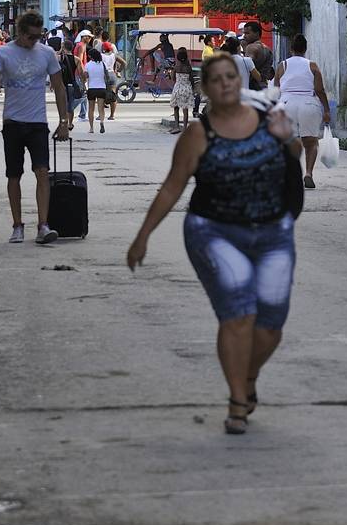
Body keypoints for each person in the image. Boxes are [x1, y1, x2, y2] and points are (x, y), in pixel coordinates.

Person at [127, 54, 302, 435]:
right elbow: (173, 186)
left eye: (230, 77)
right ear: (205, 89)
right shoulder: (197, 134)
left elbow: (294, 157)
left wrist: (288, 138)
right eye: (217, 79)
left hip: (273, 231)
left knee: (271, 324)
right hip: (216, 231)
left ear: (239, 82)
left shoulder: (266, 117)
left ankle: (248, 374)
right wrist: (143, 236)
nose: (225, 84)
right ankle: (237, 400)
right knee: (238, 314)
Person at [0, 9, 70, 245]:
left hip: (37, 123)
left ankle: (43, 225)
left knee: (42, 172)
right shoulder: (2, 53)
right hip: (12, 122)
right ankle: (17, 225)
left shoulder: (47, 54)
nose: (35, 41)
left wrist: (64, 121)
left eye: (39, 36)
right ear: (20, 33)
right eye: (31, 36)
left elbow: (59, 88)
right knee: (14, 175)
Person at [275, 35, 330, 189]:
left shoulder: (282, 65)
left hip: (286, 104)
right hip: (308, 104)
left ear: (291, 48)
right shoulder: (312, 66)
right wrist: (326, 109)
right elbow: (319, 90)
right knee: (311, 142)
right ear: (305, 49)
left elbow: (275, 89)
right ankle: (308, 173)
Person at [84, 45, 110, 135]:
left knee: (91, 109)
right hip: (101, 88)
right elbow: (107, 76)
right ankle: (102, 122)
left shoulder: (87, 65)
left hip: (91, 88)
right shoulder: (103, 64)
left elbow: (86, 77)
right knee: (101, 108)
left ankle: (91, 128)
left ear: (91, 56)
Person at [169, 46, 195, 133]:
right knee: (185, 109)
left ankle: (176, 126)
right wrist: (193, 89)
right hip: (187, 88)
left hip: (177, 88)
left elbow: (173, 78)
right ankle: (184, 127)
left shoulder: (176, 67)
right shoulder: (188, 67)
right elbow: (191, 79)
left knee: (176, 108)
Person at [242, 21, 274, 90]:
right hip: (264, 87)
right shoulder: (267, 49)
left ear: (257, 33)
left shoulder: (251, 47)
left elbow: (246, 65)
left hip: (252, 88)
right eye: (244, 33)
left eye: (247, 33)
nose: (244, 36)